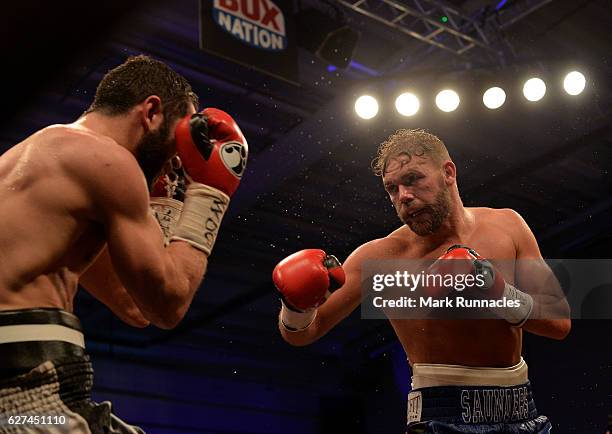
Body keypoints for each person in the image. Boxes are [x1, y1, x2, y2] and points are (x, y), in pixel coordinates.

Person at [0, 55, 248, 433]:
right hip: (24, 390)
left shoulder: (39, 161)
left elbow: (136, 306)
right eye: (182, 136)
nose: (179, 159)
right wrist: (211, 193)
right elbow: (169, 304)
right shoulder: (110, 162)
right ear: (151, 111)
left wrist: (163, 204)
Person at [273, 129, 570, 433]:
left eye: (413, 179)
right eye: (392, 188)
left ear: (448, 172)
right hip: (441, 417)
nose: (403, 196)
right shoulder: (379, 258)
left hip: (523, 412)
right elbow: (303, 333)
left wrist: (496, 291)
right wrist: (295, 306)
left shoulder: (508, 225)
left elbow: (559, 322)